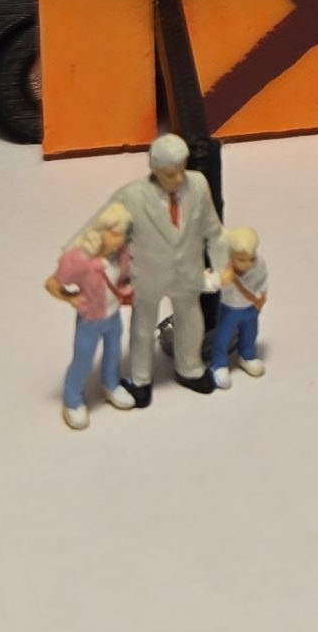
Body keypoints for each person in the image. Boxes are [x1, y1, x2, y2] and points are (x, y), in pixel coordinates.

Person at [100, 132, 227, 404]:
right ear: (155, 168)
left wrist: (222, 267)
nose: (179, 178)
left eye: (182, 168)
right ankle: (140, 379)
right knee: (143, 327)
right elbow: (103, 231)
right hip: (148, 274)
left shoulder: (198, 184)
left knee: (191, 321)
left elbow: (213, 230)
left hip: (188, 273)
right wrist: (96, 270)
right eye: (171, 173)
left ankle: (190, 368)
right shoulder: (132, 196)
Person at [47, 202, 139, 431]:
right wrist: (70, 298)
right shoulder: (79, 260)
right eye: (114, 234)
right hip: (90, 320)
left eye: (121, 234)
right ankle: (72, 399)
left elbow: (122, 279)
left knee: (113, 353)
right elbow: (52, 284)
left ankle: (111, 384)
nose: (119, 240)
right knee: (83, 361)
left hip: (113, 317)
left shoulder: (121, 254)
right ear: (101, 231)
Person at [207, 227, 269, 388]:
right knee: (223, 336)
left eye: (250, 258)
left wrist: (261, 300)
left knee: (250, 333)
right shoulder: (223, 266)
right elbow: (211, 284)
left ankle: (247, 355)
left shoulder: (258, 264)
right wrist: (220, 280)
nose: (247, 264)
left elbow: (262, 282)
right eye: (241, 260)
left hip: (250, 308)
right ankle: (219, 364)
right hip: (229, 309)